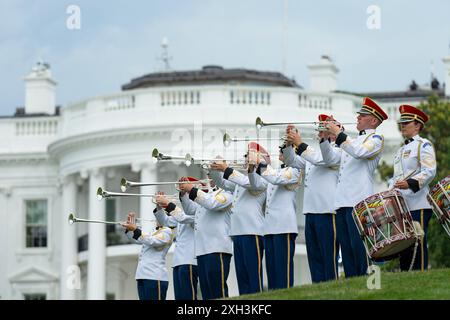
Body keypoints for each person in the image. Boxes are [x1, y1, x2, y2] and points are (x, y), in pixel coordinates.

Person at [320, 97, 388, 277]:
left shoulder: (376, 138)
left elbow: (359, 152)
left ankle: (367, 284)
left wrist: (339, 134)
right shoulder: (352, 140)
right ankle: (352, 285)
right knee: (347, 250)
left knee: (360, 249)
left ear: (373, 120)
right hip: (342, 201)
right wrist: (325, 140)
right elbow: (330, 159)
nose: (357, 118)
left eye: (362, 115)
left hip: (358, 201)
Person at [282, 114, 340, 283]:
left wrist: (299, 143)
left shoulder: (338, 150)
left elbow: (323, 158)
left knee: (328, 260)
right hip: (311, 211)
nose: (322, 130)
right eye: (321, 127)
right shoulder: (313, 152)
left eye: (326, 127)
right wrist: (289, 143)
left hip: (327, 212)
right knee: (314, 260)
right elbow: (291, 160)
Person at [209, 143, 267, 295]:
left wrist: (227, 168)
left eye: (249, 155)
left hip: (252, 232)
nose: (246, 158)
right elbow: (222, 183)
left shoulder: (262, 178)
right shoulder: (242, 180)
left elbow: (251, 182)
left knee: (253, 277)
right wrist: (213, 169)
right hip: (238, 233)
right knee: (242, 277)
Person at [389, 104, 437, 271]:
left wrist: (410, 183)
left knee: (418, 241)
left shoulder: (423, 145)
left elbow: (430, 171)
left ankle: (421, 273)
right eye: (401, 122)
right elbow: (396, 177)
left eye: (406, 122)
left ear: (417, 125)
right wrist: (388, 192)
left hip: (419, 204)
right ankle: (406, 275)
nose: (402, 125)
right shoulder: (401, 150)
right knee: (405, 245)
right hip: (402, 205)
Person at [246, 148, 301, 289]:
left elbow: (277, 179)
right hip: (270, 227)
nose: (281, 151)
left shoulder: (294, 170)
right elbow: (257, 185)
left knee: (283, 273)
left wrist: (261, 163)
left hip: (284, 226)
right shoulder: (274, 171)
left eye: (285, 149)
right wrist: (252, 169)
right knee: (272, 273)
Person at [175, 176, 234, 299]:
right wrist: (184, 194)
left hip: (217, 248)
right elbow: (191, 210)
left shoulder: (227, 193)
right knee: (207, 293)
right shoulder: (207, 196)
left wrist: (191, 189)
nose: (208, 177)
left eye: (212, 174)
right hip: (202, 250)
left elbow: (212, 204)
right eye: (207, 175)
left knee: (218, 291)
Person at [153, 184, 198, 300]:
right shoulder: (181, 214)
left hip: (190, 260)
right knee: (180, 297)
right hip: (179, 261)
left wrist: (167, 204)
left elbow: (182, 217)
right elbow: (165, 221)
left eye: (186, 194)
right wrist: (159, 207)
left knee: (189, 296)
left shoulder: (198, 213)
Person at [123, 212, 174, 300]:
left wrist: (135, 229)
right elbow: (137, 240)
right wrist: (130, 229)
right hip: (143, 275)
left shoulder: (167, 231)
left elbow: (151, 240)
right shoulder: (153, 231)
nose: (157, 218)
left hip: (155, 276)